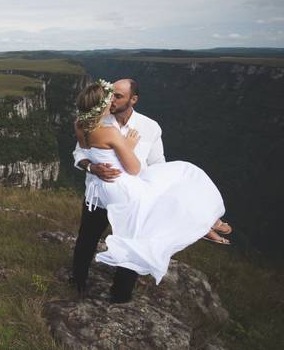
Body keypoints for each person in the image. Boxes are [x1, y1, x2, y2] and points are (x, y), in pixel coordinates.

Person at [71, 79, 230, 303]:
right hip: (110, 193)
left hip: (128, 188)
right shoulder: (102, 124)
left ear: (133, 99)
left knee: (136, 237)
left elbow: (157, 162)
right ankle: (78, 284)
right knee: (91, 239)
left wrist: (157, 187)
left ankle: (120, 294)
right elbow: (82, 154)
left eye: (118, 96)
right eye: (110, 96)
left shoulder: (149, 127)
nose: (113, 100)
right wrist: (93, 165)